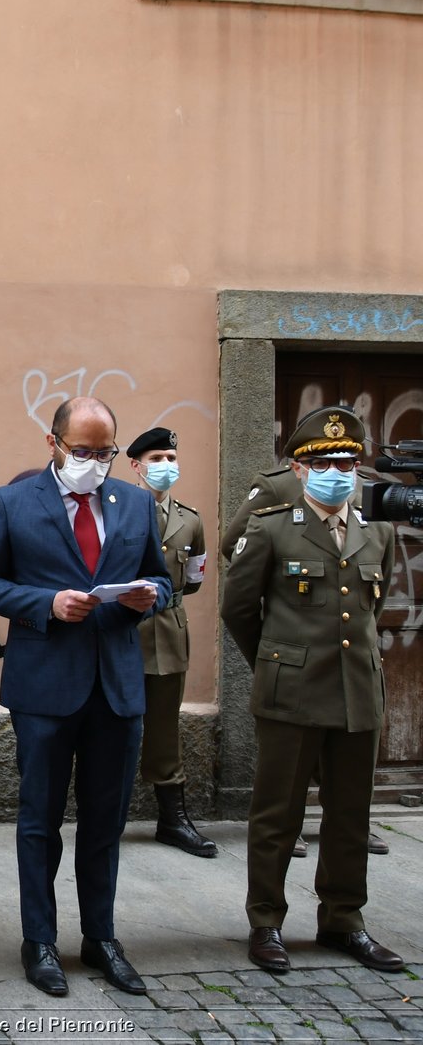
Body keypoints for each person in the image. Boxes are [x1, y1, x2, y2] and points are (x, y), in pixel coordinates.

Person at [0, 396, 171, 998]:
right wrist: (45, 604)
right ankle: (40, 940)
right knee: (41, 821)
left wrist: (148, 596)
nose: (95, 463)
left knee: (105, 822)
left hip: (117, 687)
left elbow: (164, 579)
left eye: (105, 453)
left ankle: (101, 938)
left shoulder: (133, 502)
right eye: (83, 451)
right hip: (44, 686)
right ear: (51, 443)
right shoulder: (10, 502)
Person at [222, 406, 408, 975]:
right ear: (300, 471)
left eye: (347, 462)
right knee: (277, 813)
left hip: (357, 693)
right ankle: (266, 922)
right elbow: (238, 609)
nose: (337, 471)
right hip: (292, 694)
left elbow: (376, 613)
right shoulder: (272, 527)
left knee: (349, 814)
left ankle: (344, 920)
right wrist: (278, 663)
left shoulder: (376, 533)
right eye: (323, 462)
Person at [126, 427, 215, 857]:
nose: (166, 466)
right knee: (113, 724)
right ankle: (105, 815)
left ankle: (173, 819)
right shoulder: (118, 509)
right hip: (123, 631)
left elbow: (194, 579)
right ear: (135, 467)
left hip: (169, 630)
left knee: (165, 727)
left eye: (171, 458)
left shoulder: (191, 519)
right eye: (156, 458)